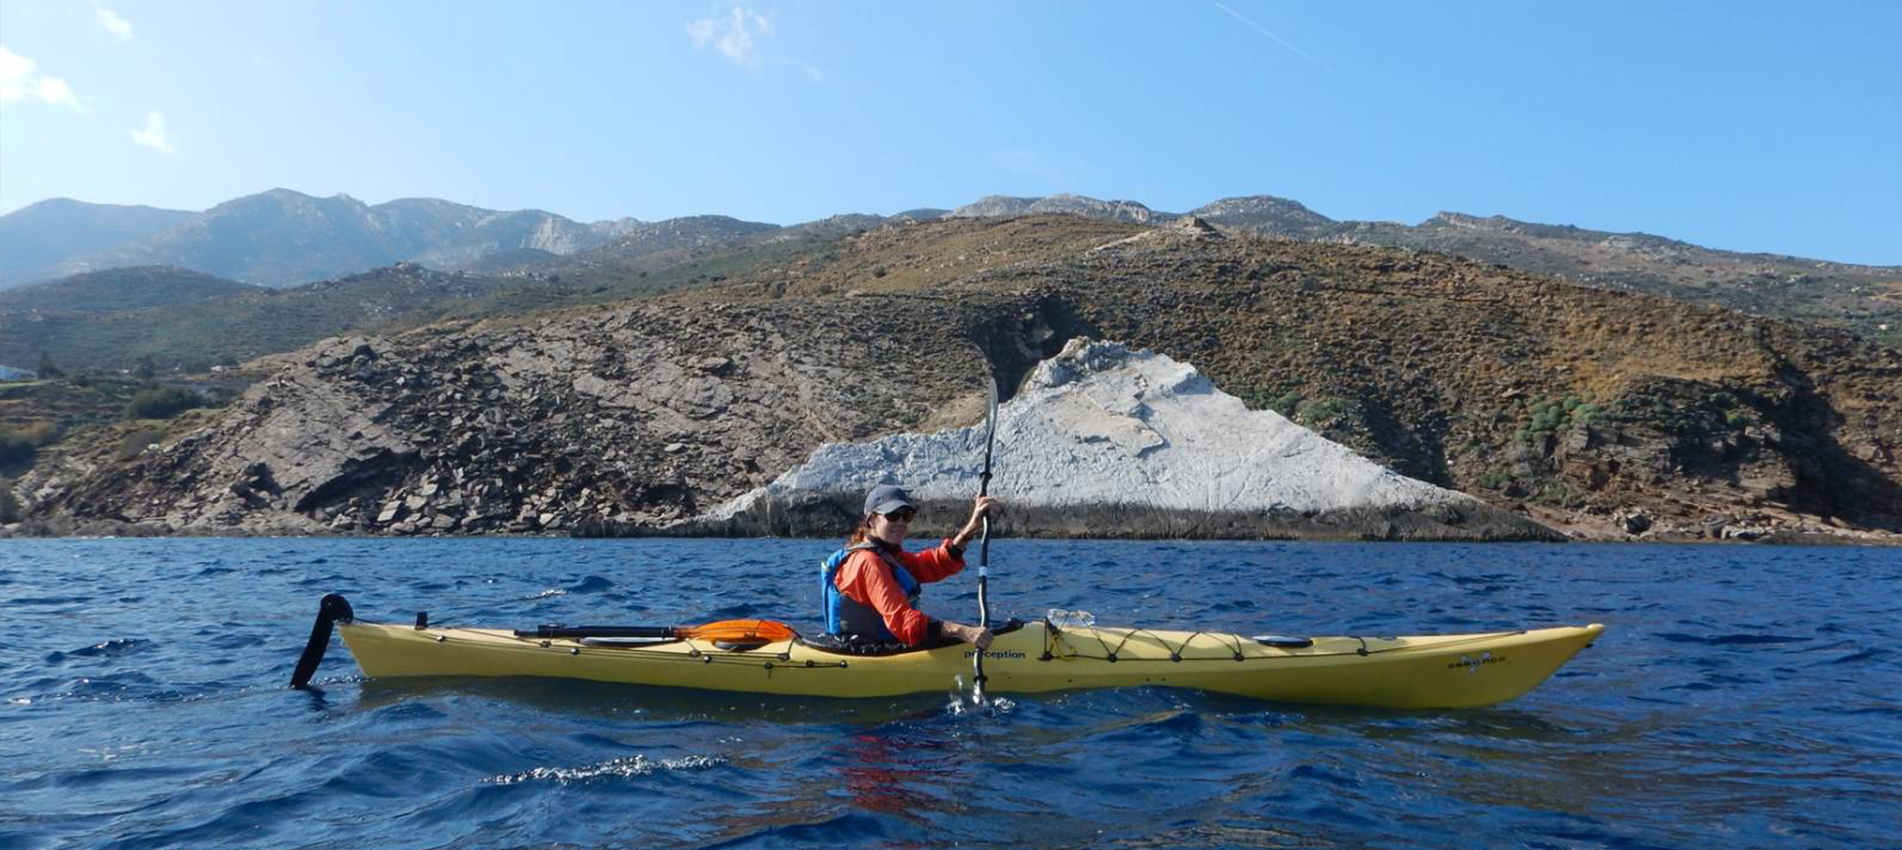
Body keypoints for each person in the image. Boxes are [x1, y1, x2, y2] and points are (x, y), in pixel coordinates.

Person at [821, 484, 1001, 650]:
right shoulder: (869, 562)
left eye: (906, 516)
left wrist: (970, 529)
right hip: (867, 650)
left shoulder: (887, 556)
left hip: (882, 644)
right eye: (892, 516)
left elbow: (933, 564)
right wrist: (961, 631)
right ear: (871, 521)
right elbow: (902, 621)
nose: (900, 523)